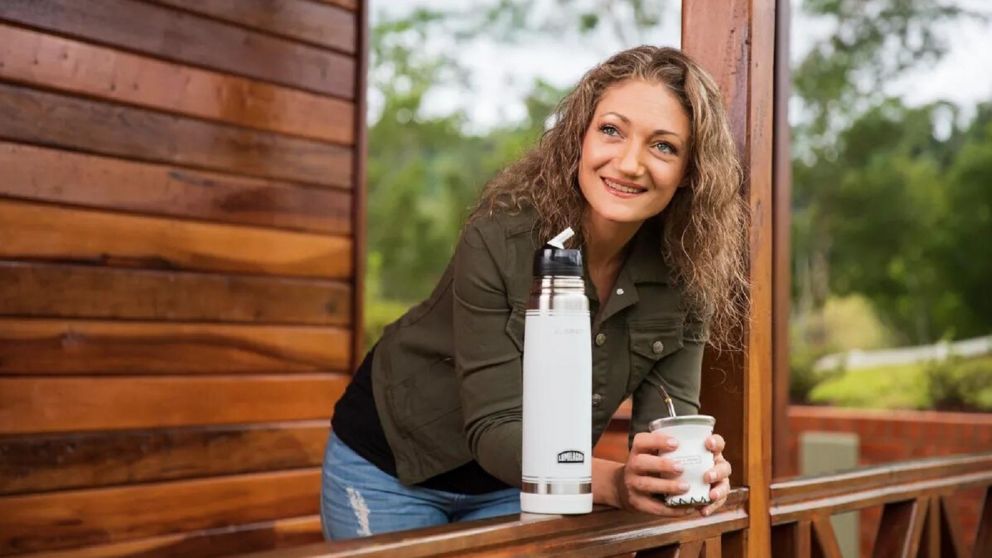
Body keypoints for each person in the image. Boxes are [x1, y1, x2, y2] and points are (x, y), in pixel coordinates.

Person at [322, 45, 749, 540]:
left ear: (690, 173)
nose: (630, 163)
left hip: (539, 481)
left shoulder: (688, 278)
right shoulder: (499, 237)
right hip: (392, 464)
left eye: (663, 146)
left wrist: (684, 474)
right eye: (611, 130)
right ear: (580, 140)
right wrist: (614, 480)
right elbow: (494, 426)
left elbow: (666, 428)